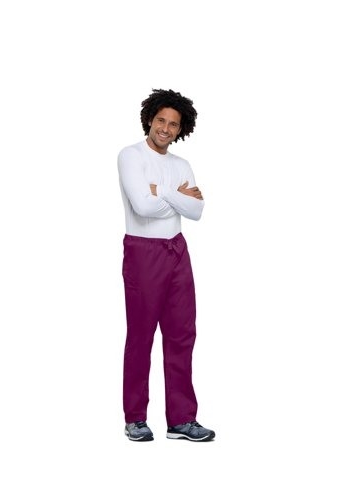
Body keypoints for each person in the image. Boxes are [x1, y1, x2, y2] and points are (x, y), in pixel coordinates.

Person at [117, 88, 215, 442]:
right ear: (149, 119)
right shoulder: (131, 156)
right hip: (143, 252)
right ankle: (135, 418)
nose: (165, 129)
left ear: (180, 129)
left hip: (177, 250)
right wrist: (176, 195)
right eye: (161, 120)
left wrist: (158, 190)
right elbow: (142, 207)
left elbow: (197, 210)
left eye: (173, 124)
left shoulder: (181, 165)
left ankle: (181, 420)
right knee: (141, 335)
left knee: (182, 335)